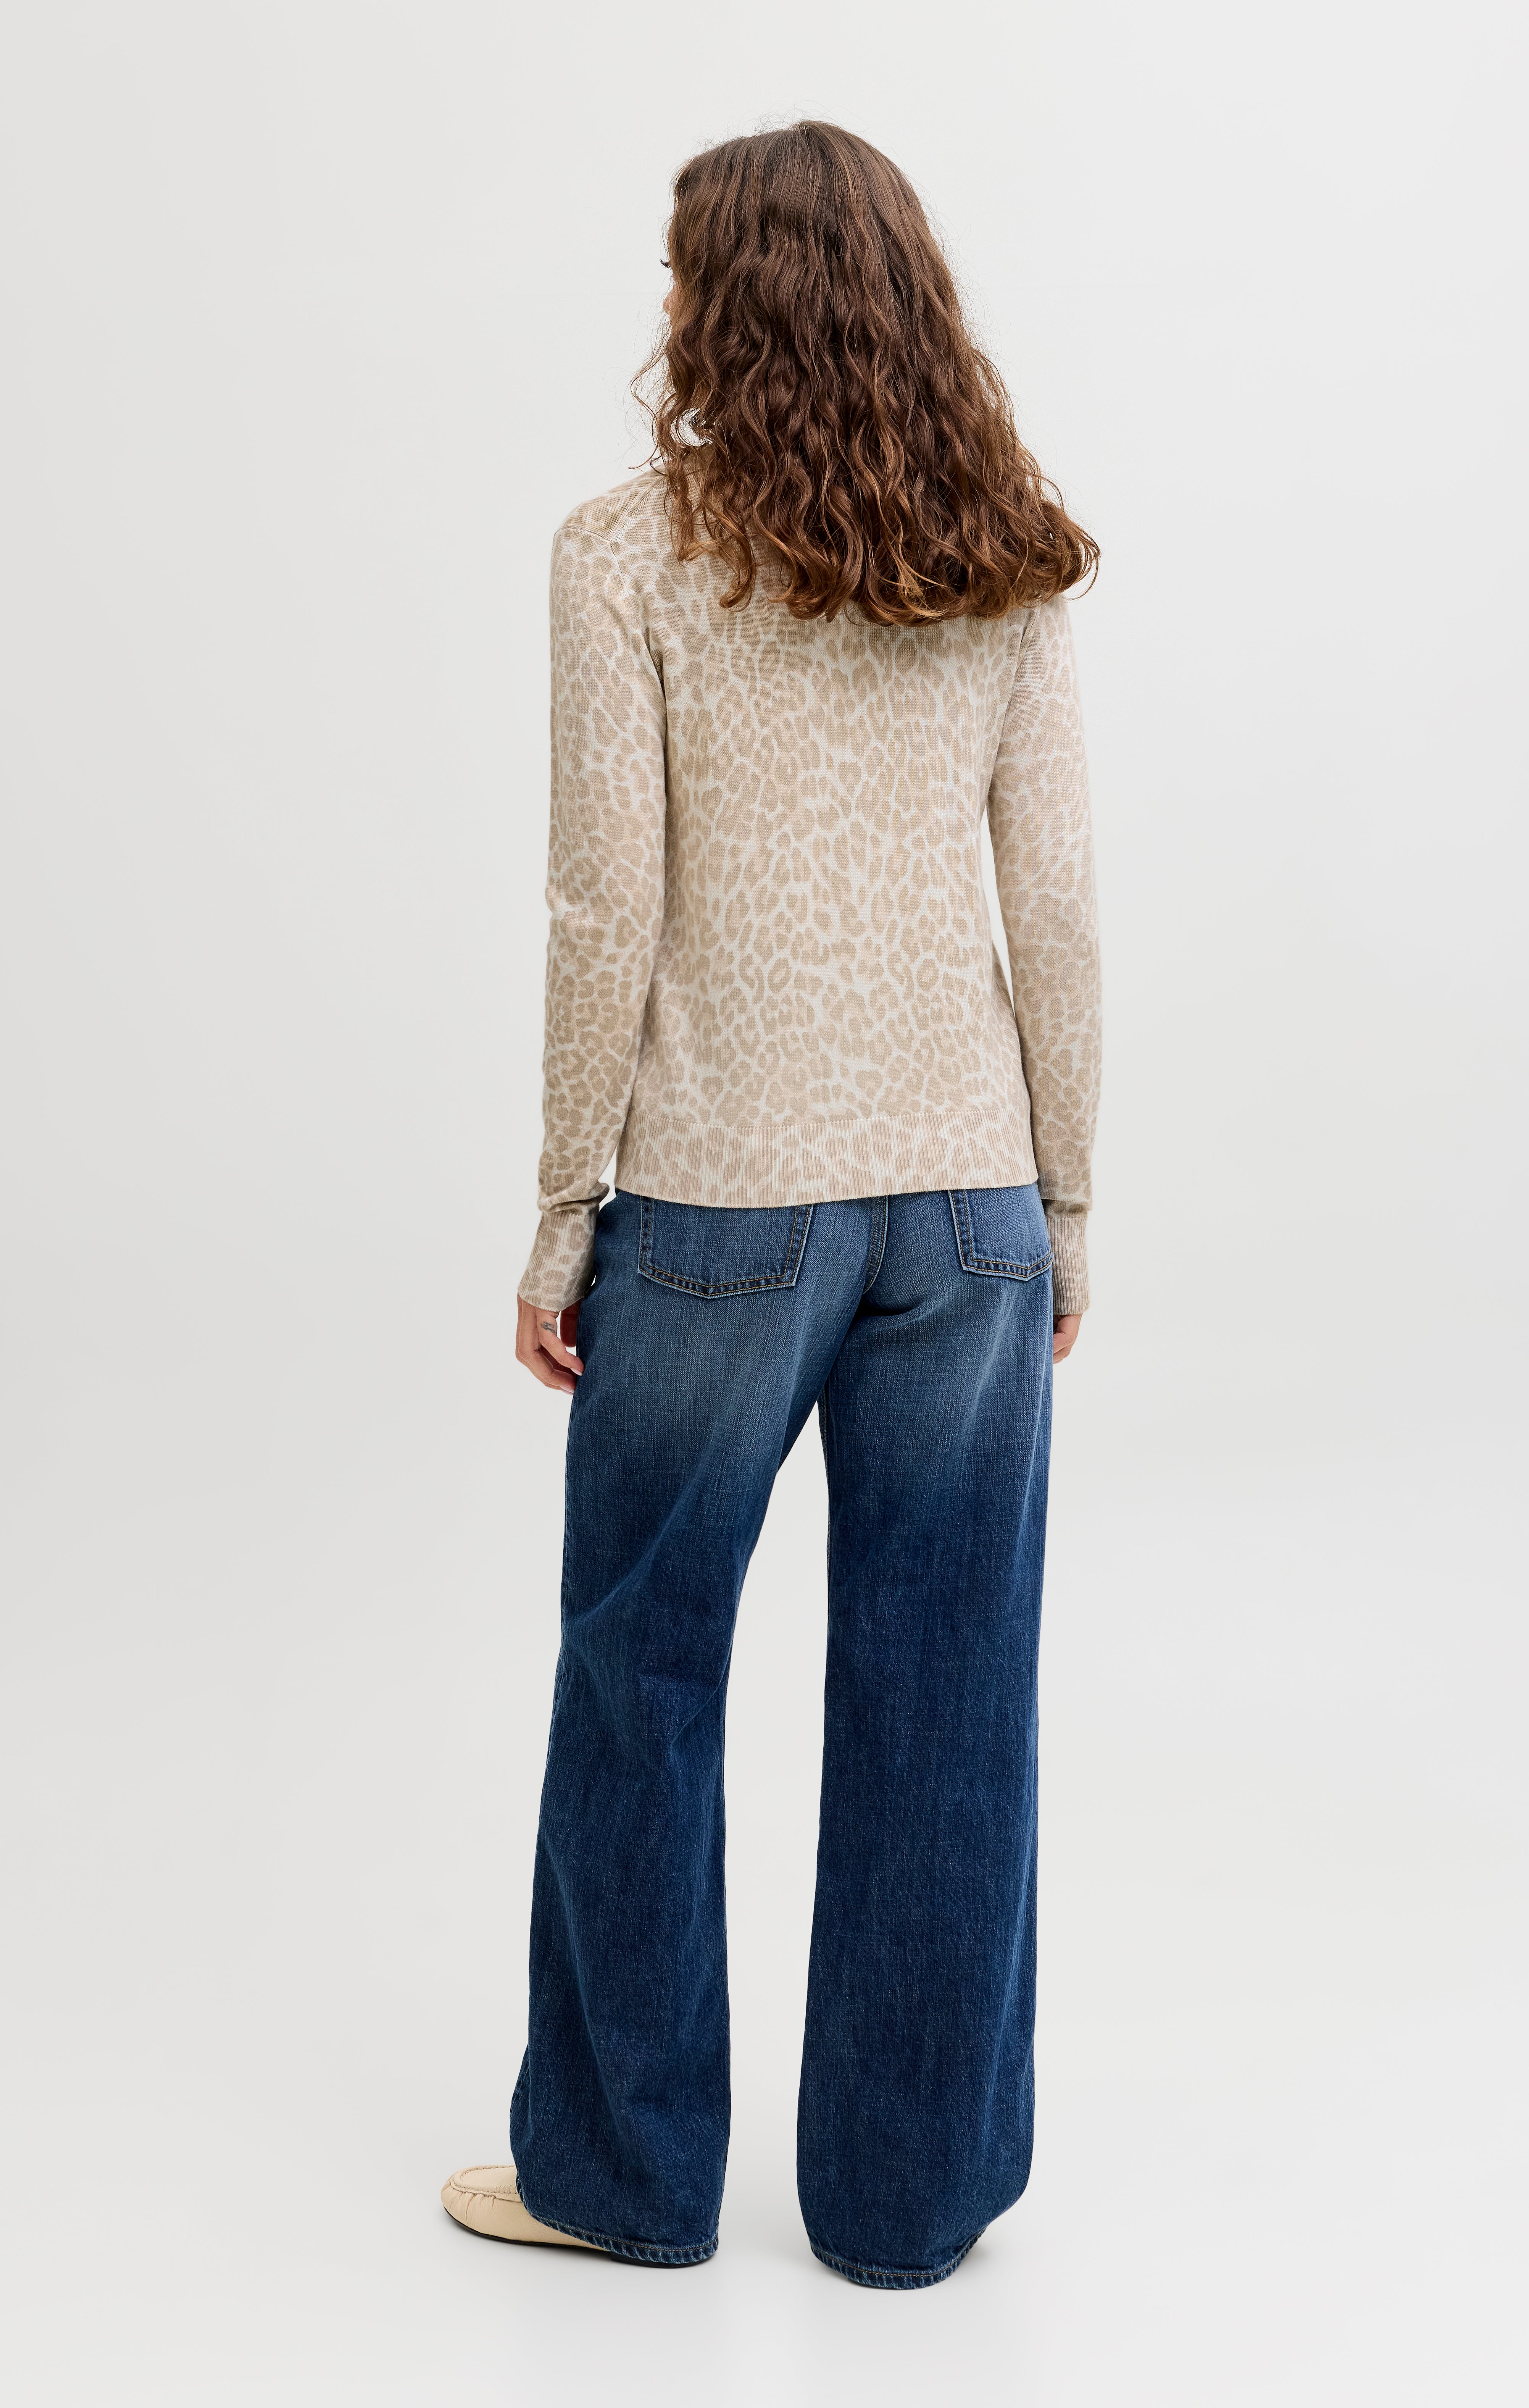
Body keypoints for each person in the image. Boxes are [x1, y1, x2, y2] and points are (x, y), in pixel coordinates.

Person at [442, 120, 1100, 2292]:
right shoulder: (1003, 554)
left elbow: (602, 909)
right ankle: (911, 2207)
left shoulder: (622, 558)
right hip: (969, 1208)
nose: (659, 305)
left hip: (721, 1202)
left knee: (643, 1667)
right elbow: (1056, 907)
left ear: (720, 304)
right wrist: (1067, 1203)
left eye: (676, 273)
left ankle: (621, 2174)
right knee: (952, 1688)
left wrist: (563, 1220)